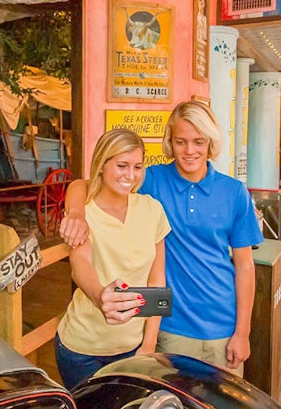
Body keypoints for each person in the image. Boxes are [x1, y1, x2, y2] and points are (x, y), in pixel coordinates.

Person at [60, 101, 263, 375]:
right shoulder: (151, 179)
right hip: (170, 327)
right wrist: (75, 213)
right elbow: (88, 183)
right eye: (181, 141)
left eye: (198, 142)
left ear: (210, 142)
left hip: (222, 327)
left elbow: (245, 266)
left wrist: (243, 331)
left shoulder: (235, 192)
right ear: (170, 141)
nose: (190, 151)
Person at [54, 128, 170, 388]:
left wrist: (149, 344)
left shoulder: (152, 209)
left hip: (134, 347)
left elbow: (157, 279)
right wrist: (99, 295)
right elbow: (80, 264)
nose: (130, 175)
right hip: (82, 349)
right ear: (102, 165)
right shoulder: (85, 212)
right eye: (121, 165)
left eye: (137, 167)